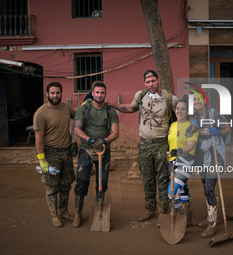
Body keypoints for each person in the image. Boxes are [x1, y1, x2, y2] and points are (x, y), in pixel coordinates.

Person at [107, 70, 178, 223]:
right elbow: (131, 108)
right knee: (147, 178)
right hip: (145, 144)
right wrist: (113, 105)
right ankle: (150, 208)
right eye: (147, 82)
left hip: (162, 144)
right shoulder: (140, 96)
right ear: (144, 83)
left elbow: (183, 116)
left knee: (163, 179)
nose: (150, 84)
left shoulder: (170, 99)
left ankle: (163, 210)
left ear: (158, 80)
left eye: (153, 81)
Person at [72, 81, 119, 228]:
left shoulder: (110, 111)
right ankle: (77, 214)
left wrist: (103, 141)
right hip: (86, 149)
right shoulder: (84, 109)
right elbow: (76, 129)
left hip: (103, 150)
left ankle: (100, 209)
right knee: (82, 180)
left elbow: (116, 132)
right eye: (97, 92)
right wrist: (91, 140)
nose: (99, 95)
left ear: (105, 94)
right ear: (93, 94)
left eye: (102, 92)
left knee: (102, 181)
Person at [33, 82, 76, 228]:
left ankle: (63, 211)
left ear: (61, 93)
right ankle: (54, 215)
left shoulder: (65, 107)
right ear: (47, 94)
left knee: (66, 184)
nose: (55, 96)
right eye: (52, 93)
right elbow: (38, 138)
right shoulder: (41, 113)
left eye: (58, 93)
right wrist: (42, 159)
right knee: (52, 186)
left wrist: (88, 103)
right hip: (51, 154)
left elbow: (77, 114)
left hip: (66, 152)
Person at [192, 91, 231, 238]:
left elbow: (228, 128)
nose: (197, 101)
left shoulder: (214, 114)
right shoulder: (195, 117)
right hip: (202, 154)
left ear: (205, 100)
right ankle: (211, 217)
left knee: (209, 187)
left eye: (199, 98)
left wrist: (219, 131)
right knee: (205, 186)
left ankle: (212, 225)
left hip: (216, 153)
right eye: (194, 99)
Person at [167, 96, 198, 226]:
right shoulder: (173, 125)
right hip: (172, 161)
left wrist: (179, 150)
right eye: (178, 108)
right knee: (183, 190)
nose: (180, 111)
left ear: (187, 111)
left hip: (185, 160)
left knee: (172, 191)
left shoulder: (191, 126)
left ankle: (179, 217)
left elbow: (191, 145)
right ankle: (188, 218)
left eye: (183, 109)